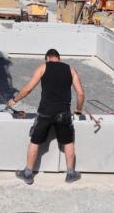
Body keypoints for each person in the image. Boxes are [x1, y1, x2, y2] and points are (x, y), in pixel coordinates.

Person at [7, 49, 85, 185]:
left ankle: (27, 173)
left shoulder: (43, 67)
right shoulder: (70, 69)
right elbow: (80, 94)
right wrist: (78, 110)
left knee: (35, 141)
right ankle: (71, 174)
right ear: (58, 58)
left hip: (45, 112)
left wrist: (14, 100)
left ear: (47, 58)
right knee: (68, 142)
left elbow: (27, 89)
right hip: (63, 113)